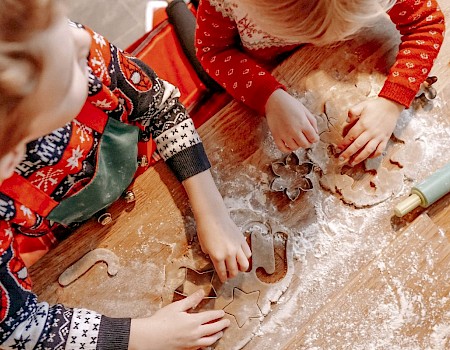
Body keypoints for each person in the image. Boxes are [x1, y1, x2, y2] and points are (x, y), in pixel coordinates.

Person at [0, 0, 251, 348]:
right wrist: (142, 336)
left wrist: (212, 212)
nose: (83, 41)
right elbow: (16, 329)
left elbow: (161, 110)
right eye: (70, 63)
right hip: (74, 229)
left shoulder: (64, 42)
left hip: (145, 170)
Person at [195, 0, 445, 165]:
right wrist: (268, 97)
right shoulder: (226, 3)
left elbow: (427, 23)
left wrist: (392, 101)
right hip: (250, 56)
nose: (322, 42)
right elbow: (212, 51)